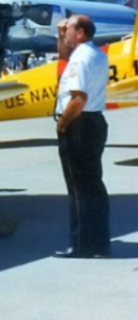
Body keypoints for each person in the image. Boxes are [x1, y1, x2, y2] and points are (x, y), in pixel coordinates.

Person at [53, 14, 110, 259]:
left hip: (79, 124)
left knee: (78, 188)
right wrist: (60, 34)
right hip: (95, 122)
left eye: (69, 27)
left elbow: (78, 99)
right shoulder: (95, 54)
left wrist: (63, 124)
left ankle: (82, 244)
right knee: (93, 185)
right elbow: (65, 55)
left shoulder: (81, 58)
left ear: (80, 33)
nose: (65, 30)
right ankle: (99, 242)